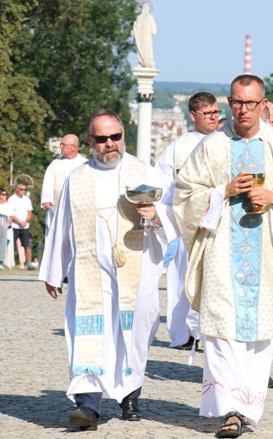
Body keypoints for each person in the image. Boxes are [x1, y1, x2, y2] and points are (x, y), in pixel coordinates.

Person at [173, 74, 273, 436]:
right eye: (237, 102)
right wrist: (221, 191)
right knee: (222, 327)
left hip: (266, 252)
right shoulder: (211, 147)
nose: (243, 110)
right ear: (229, 103)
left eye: (251, 103)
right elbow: (183, 194)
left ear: (262, 104)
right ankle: (228, 412)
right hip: (222, 250)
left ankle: (248, 409)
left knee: (260, 333)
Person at [38, 109, 176, 431]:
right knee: (88, 332)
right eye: (102, 139)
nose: (110, 144)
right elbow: (61, 228)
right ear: (90, 141)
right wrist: (53, 271)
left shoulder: (144, 171)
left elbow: (172, 217)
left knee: (136, 332)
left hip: (135, 270)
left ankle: (130, 396)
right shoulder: (77, 178)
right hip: (90, 272)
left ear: (123, 135)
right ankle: (87, 406)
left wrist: (154, 214)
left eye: (115, 137)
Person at [155, 92, 219, 350]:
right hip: (185, 224)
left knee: (213, 281)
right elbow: (162, 184)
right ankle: (183, 334)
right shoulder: (178, 147)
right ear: (193, 115)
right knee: (182, 280)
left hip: (215, 222)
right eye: (208, 113)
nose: (214, 118)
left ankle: (209, 332)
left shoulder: (227, 143)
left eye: (216, 112)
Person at [41, 134, 87, 230]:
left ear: (73, 147)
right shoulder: (55, 164)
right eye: (60, 144)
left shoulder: (85, 164)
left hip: (79, 208)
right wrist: (46, 199)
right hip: (57, 208)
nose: (61, 147)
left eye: (64, 145)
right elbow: (48, 183)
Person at [8, 182, 33, 269]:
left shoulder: (27, 200)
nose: (24, 191)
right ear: (17, 189)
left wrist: (26, 221)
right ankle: (9, 261)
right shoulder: (12, 199)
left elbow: (29, 212)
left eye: (25, 189)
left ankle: (29, 263)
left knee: (26, 245)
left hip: (25, 226)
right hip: (15, 226)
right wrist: (19, 222)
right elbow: (11, 213)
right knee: (10, 244)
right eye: (22, 189)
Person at [131, 4, 157, 68]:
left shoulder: (139, 18)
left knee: (141, 50)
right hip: (147, 39)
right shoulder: (150, 17)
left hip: (140, 40)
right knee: (147, 49)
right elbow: (153, 32)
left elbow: (135, 28)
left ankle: (142, 61)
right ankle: (148, 61)